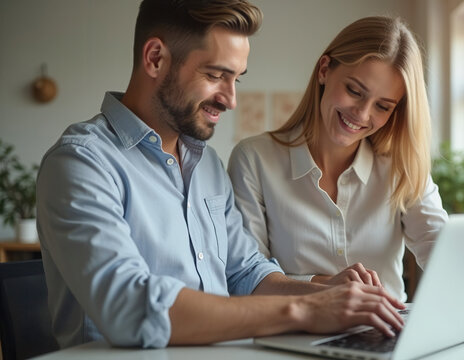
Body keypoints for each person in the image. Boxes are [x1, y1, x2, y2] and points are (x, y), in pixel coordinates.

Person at [36, 0, 406, 350]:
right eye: (216, 75)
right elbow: (130, 309)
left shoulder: (207, 165)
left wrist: (335, 297)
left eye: (237, 80)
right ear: (155, 58)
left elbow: (246, 273)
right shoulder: (81, 163)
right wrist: (307, 310)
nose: (230, 99)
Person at [227, 16, 464, 339]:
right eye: (355, 91)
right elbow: (246, 279)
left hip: (387, 337)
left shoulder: (400, 166)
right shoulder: (254, 160)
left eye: (383, 107)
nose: (362, 114)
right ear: (324, 70)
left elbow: (437, 242)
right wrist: (323, 287)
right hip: (294, 339)